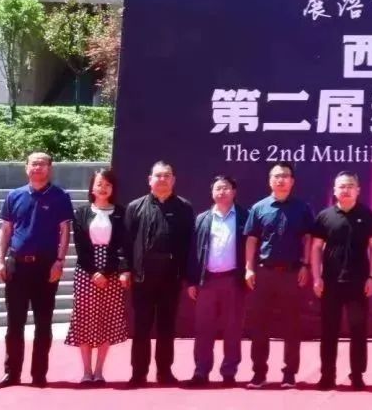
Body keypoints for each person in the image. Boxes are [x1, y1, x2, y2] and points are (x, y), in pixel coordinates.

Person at [0, 152, 74, 389]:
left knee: (43, 323)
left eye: (42, 164)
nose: (38, 167)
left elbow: (65, 231)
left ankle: (39, 374)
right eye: (34, 164)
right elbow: (6, 230)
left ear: (50, 168)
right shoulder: (14, 195)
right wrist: (0, 261)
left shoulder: (60, 196)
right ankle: (12, 373)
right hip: (17, 266)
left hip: (46, 267)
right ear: (26, 168)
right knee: (14, 323)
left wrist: (59, 261)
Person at [125, 160, 195, 386]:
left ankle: (164, 371)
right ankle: (138, 373)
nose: (162, 179)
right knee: (141, 327)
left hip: (171, 278)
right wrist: (125, 270)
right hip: (142, 277)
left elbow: (190, 245)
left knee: (167, 327)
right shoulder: (135, 207)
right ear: (149, 180)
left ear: (173, 180)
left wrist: (188, 276)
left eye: (166, 175)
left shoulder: (184, 208)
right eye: (158, 175)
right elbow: (126, 243)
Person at [244, 162, 313, 389]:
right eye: (276, 176)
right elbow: (252, 239)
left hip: (292, 273)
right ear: (270, 180)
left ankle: (289, 374)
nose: (281, 180)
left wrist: (306, 265)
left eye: (285, 176)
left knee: (292, 326)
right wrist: (249, 268)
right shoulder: (259, 208)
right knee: (259, 325)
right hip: (264, 273)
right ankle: (258, 373)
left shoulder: (302, 208)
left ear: (292, 181)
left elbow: (307, 239)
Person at [312, 171, 372, 390]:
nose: (346, 190)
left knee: (358, 330)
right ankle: (327, 375)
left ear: (358, 190)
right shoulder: (325, 216)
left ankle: (357, 375)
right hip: (330, 282)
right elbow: (316, 248)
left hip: (358, 282)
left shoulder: (367, 215)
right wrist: (316, 277)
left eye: (350, 185)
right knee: (328, 330)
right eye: (341, 186)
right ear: (334, 190)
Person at [65, 167, 130, 383]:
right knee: (85, 319)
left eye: (107, 185)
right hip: (86, 272)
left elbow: (122, 246)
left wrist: (108, 272)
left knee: (106, 320)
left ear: (113, 188)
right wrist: (94, 272)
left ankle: (99, 371)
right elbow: (81, 247)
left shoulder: (121, 213)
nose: (103, 188)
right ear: (92, 187)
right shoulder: (81, 213)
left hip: (111, 272)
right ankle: (86, 372)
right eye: (99, 184)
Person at [185, 175, 248, 387]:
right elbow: (193, 252)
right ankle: (201, 372)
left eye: (226, 188)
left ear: (234, 191)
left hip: (233, 280)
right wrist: (192, 281)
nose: (221, 192)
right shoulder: (202, 219)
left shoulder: (245, 217)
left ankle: (229, 372)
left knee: (233, 328)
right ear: (212, 193)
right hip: (207, 281)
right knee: (203, 328)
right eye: (217, 188)